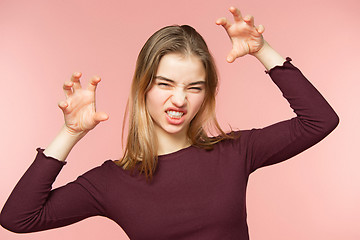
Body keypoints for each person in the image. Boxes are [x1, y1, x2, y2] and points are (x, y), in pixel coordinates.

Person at [0, 6, 339, 240]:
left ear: (206, 94)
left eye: (194, 87)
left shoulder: (235, 152)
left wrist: (262, 49)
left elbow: (319, 120)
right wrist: (70, 133)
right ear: (143, 87)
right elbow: (18, 218)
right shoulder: (111, 182)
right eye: (165, 84)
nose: (180, 100)